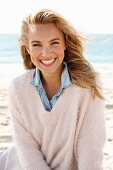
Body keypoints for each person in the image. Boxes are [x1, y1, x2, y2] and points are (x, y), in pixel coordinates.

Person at [0, 9, 106, 170]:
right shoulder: (17, 88)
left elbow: (91, 147)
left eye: (54, 42)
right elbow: (26, 148)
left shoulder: (88, 84)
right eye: (36, 44)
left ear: (65, 43)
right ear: (27, 48)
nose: (46, 52)